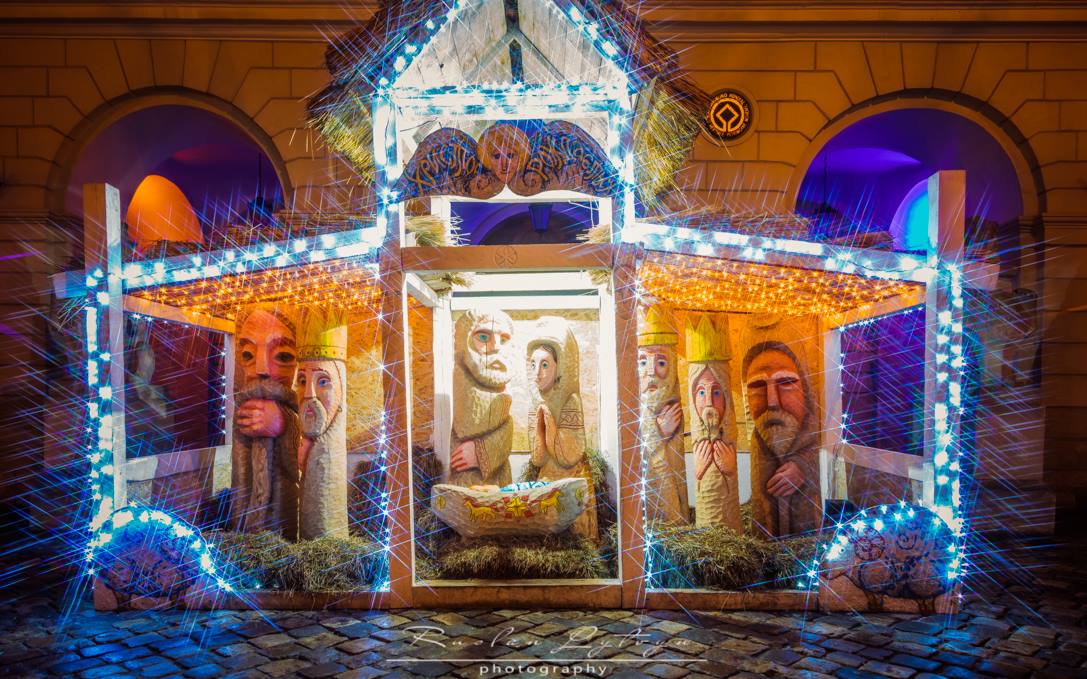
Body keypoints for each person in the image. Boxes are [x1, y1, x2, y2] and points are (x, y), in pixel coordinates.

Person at [230, 303, 300, 539]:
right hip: (244, 525)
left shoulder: (300, 410)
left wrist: (286, 422)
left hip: (290, 527)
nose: (260, 369)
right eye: (248, 355)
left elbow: (310, 463)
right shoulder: (243, 404)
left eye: (282, 356)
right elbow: (240, 474)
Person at [526, 316, 597, 541]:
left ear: (560, 367)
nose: (537, 372)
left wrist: (551, 428)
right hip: (546, 478)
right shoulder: (535, 404)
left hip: (571, 479)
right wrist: (540, 431)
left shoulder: (571, 401)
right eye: (533, 364)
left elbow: (570, 455)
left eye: (545, 364)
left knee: (574, 531)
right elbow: (537, 459)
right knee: (548, 532)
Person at [742, 340, 822, 537]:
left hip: (806, 539)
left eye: (786, 382)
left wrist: (803, 466)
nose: (772, 401)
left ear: (805, 390)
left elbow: (814, 451)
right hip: (763, 539)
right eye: (758, 385)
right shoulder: (758, 439)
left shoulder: (812, 433)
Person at [295, 308, 349, 539]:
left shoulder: (332, 450)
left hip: (330, 547)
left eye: (323, 381)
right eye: (302, 380)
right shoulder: (304, 440)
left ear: (341, 387)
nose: (309, 394)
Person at [686, 313, 742, 531]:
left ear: (726, 394)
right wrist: (699, 470)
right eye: (701, 392)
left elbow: (730, 480)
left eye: (716, 392)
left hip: (730, 528)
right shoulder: (698, 434)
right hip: (706, 528)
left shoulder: (729, 431)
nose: (708, 401)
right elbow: (700, 481)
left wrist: (729, 468)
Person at [449, 309, 515, 487]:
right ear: (465, 340)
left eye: (504, 340)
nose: (496, 346)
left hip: (497, 476)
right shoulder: (460, 377)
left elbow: (507, 424)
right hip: (464, 476)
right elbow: (460, 427)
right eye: (484, 337)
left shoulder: (503, 389)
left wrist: (482, 451)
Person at [638, 303, 689, 526]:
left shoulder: (673, 401)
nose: (651, 372)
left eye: (660, 362)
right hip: (646, 507)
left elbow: (676, 462)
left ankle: (676, 522)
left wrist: (665, 435)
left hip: (672, 501)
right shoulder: (635, 407)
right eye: (643, 361)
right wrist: (658, 433)